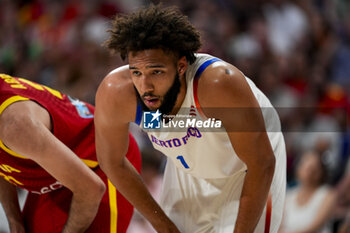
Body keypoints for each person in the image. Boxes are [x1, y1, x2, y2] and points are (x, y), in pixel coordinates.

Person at [95, 5, 286, 233]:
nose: (145, 86)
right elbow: (112, 162)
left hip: (247, 167)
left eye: (156, 72)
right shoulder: (117, 93)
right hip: (188, 169)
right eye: (137, 72)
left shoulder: (218, 84)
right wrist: (161, 224)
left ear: (181, 66)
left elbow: (262, 163)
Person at [0, 73, 141, 233]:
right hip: (55, 166)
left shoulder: (16, 126)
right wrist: (14, 220)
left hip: (101, 159)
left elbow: (91, 188)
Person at [279, 151, 336, 233]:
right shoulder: (289, 195)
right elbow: (279, 225)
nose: (307, 168)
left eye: (312, 167)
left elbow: (315, 227)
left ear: (320, 172)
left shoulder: (327, 194)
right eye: (304, 163)